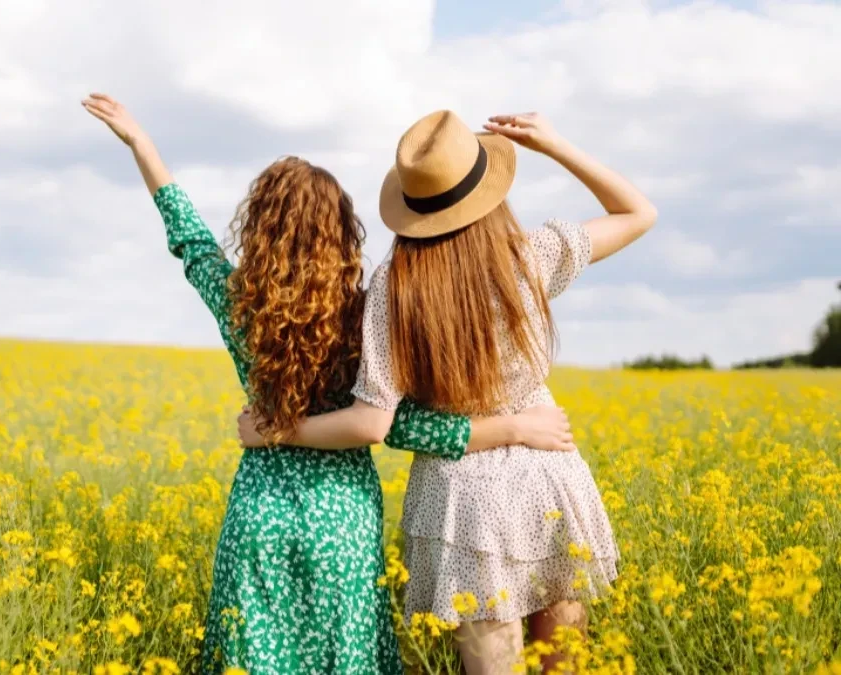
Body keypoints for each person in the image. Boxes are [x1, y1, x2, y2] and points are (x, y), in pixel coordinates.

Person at [82, 93, 579, 675]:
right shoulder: (369, 316)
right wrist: (513, 426)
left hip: (260, 517)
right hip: (343, 524)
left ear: (259, 232)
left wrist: (142, 144)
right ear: (343, 234)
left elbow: (190, 241)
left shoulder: (241, 307)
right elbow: (397, 425)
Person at [238, 110, 657, 673]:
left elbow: (370, 423)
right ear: (487, 191)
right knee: (566, 666)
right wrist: (554, 145)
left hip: (461, 498)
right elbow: (638, 212)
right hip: (548, 473)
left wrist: (281, 430)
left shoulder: (394, 286)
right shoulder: (528, 258)